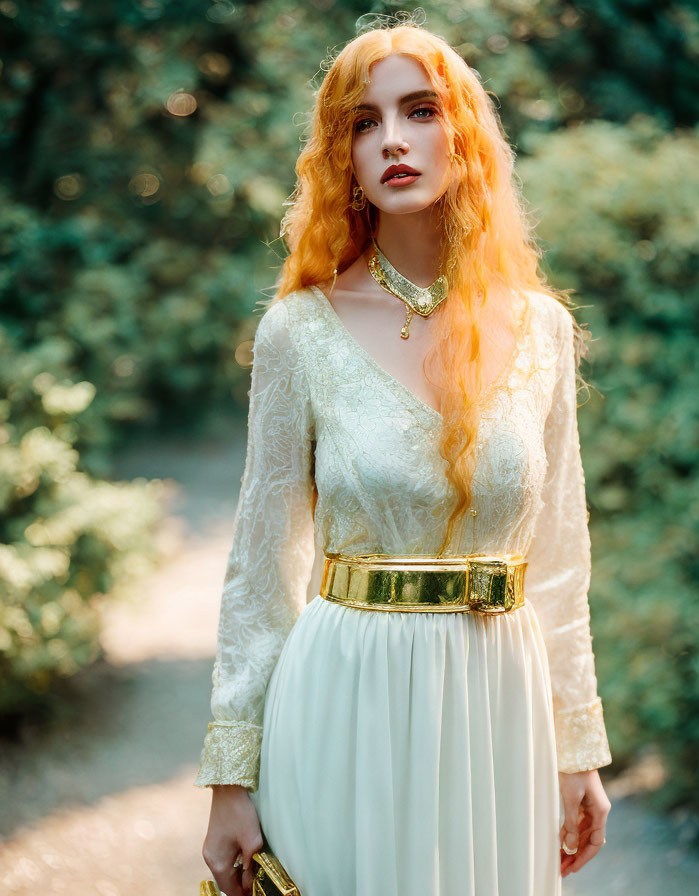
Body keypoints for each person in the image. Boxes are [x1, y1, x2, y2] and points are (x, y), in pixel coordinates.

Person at [195, 17, 612, 896]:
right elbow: (263, 565)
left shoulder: (540, 330)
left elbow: (561, 565)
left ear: (463, 131)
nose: (392, 140)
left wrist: (578, 750)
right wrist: (231, 779)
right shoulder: (298, 333)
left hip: (501, 710)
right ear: (338, 154)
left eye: (419, 110)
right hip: (345, 700)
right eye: (362, 120)